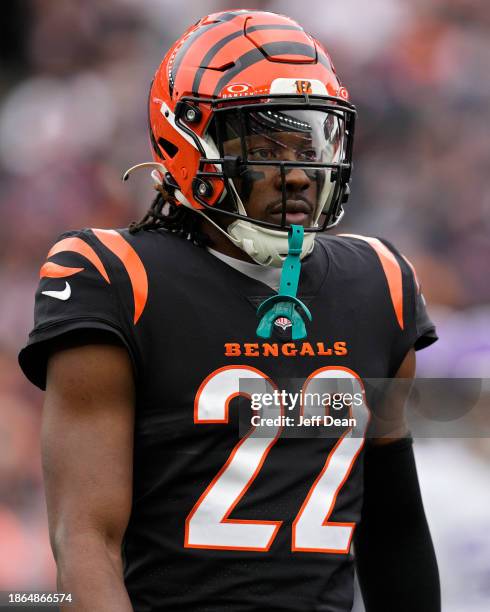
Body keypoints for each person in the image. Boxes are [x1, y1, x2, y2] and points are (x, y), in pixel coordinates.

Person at [19, 9, 441, 612]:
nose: (297, 173)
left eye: (311, 143)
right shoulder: (118, 277)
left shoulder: (380, 282)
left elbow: (393, 531)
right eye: (266, 146)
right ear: (187, 141)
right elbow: (85, 539)